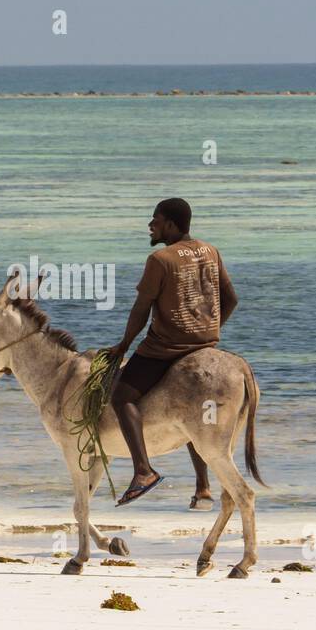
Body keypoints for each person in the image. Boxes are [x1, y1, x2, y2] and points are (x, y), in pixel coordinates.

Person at [106, 198, 237, 505]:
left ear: (171, 225)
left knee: (121, 396)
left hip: (165, 349)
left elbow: (140, 310)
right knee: (193, 413)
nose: (151, 224)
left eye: (156, 219)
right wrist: (209, 331)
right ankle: (203, 487)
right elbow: (230, 299)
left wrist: (123, 345)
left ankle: (143, 470)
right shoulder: (211, 250)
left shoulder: (160, 259)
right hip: (205, 343)